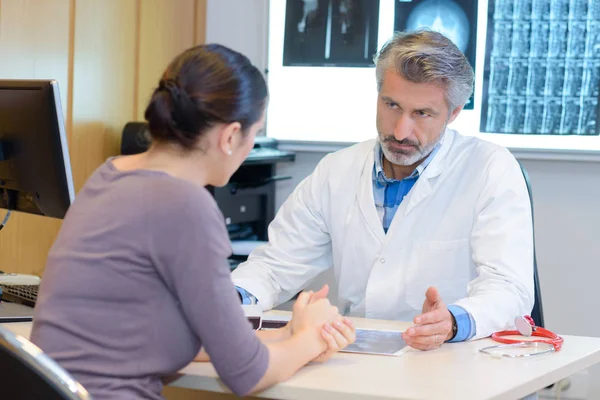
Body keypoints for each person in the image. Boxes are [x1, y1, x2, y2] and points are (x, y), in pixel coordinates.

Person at [30, 44, 355, 400]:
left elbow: (187, 335)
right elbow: (247, 374)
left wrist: (290, 334)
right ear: (230, 136)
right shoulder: (185, 205)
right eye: (254, 133)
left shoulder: (110, 173)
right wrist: (312, 339)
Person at [232, 30, 535, 351]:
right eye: (391, 104)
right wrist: (232, 296)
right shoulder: (336, 171)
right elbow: (276, 266)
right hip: (361, 354)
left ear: (454, 113)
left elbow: (509, 288)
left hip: (457, 356)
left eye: (422, 113)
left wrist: (455, 321)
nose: (400, 131)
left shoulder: (490, 168)